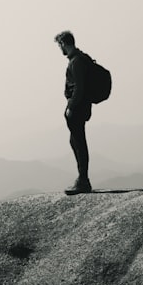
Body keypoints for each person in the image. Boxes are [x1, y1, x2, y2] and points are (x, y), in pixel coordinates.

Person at [55, 30, 93, 194]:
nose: (60, 49)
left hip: (77, 108)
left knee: (79, 143)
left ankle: (83, 181)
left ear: (64, 43)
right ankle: (82, 178)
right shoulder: (81, 58)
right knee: (75, 142)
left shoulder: (76, 61)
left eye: (60, 45)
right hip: (82, 107)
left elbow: (79, 87)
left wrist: (71, 106)